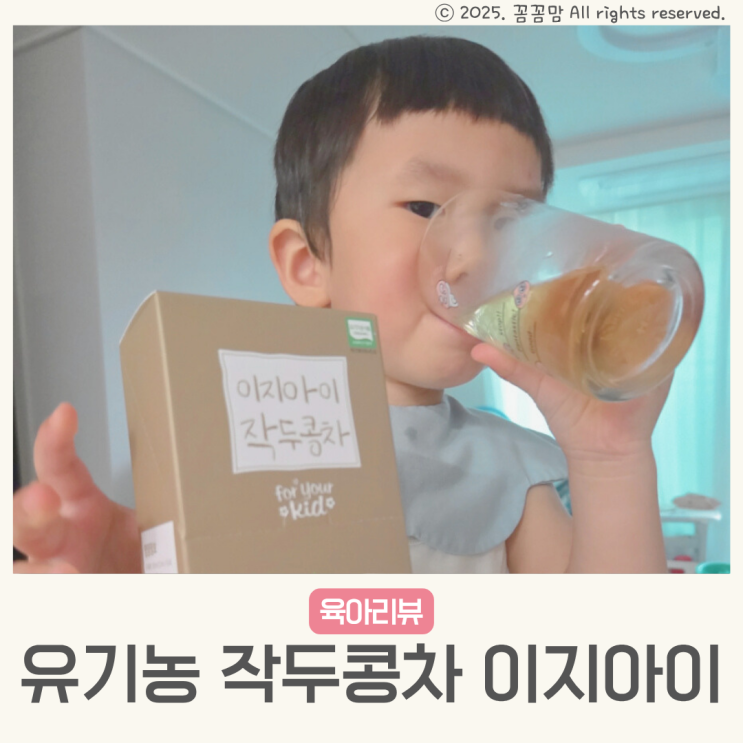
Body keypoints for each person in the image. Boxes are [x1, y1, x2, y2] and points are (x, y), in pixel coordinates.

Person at [13, 36, 669, 574]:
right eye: (426, 207)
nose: (474, 255)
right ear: (308, 265)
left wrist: (612, 459)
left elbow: (606, 653)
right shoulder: (233, 444)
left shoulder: (507, 471)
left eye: (508, 221)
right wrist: (126, 578)